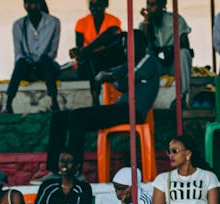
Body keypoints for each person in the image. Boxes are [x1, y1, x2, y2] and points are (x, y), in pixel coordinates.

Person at [45, 30, 160, 175]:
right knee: (59, 117)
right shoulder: (131, 63)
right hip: (120, 109)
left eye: (130, 46)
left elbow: (122, 84)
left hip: (132, 111)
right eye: (125, 46)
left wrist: (111, 77)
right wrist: (110, 75)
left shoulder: (148, 60)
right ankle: (54, 170)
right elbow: (111, 76)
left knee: (77, 116)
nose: (126, 50)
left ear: (141, 45)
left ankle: (74, 170)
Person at [4, 0, 62, 114]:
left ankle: (54, 103)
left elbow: (53, 52)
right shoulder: (19, 24)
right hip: (28, 68)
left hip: (45, 67)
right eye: (26, 3)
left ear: (39, 4)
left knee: (46, 61)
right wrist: (28, 62)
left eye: (32, 3)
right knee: (20, 63)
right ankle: (8, 104)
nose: (28, 6)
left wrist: (40, 62)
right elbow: (18, 52)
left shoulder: (54, 22)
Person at [137, 0, 192, 97]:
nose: (150, 8)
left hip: (173, 62)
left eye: (153, 4)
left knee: (183, 53)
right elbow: (141, 45)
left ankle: (182, 95)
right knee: (144, 58)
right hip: (157, 64)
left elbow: (185, 44)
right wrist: (147, 20)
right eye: (148, 4)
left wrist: (170, 50)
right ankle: (144, 96)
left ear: (162, 5)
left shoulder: (175, 19)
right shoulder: (145, 24)